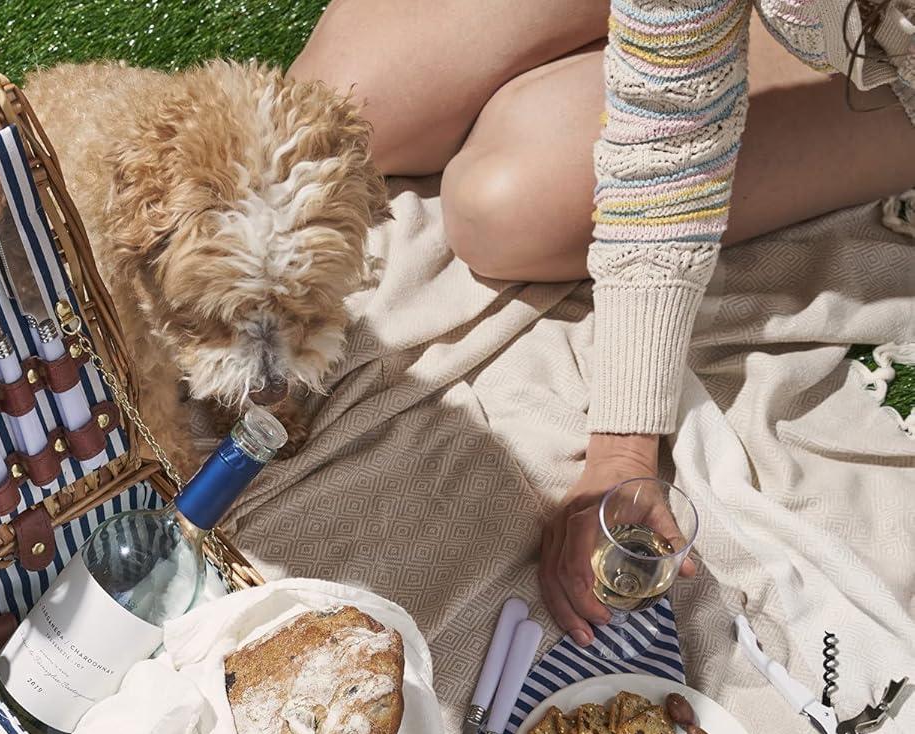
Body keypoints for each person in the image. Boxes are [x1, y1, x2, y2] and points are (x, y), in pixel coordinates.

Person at [291, 0, 915, 643]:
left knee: (502, 206)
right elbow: (668, 102)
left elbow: (672, 143)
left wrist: (622, 446)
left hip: (883, 73)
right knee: (332, 113)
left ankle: (778, 39)